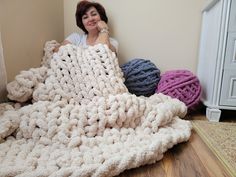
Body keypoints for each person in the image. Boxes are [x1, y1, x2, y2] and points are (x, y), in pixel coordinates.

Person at [53, 0, 118, 54]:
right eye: (85, 17)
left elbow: (100, 54)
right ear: (82, 23)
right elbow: (57, 52)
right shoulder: (75, 38)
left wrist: (104, 29)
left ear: (101, 17)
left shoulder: (112, 42)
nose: (90, 19)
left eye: (94, 14)